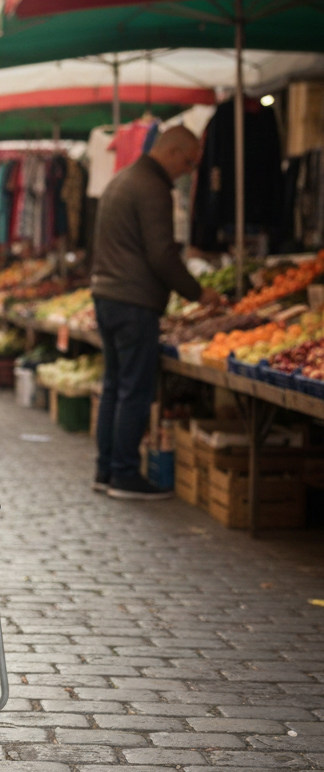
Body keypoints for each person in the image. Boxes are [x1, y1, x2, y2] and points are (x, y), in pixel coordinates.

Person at [92, 125, 220, 500]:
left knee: (116, 385)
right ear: (175, 152)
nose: (189, 170)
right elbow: (161, 253)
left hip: (108, 295)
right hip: (133, 302)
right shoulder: (152, 188)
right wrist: (197, 293)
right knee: (134, 389)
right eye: (190, 162)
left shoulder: (124, 179)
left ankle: (106, 470)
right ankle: (125, 474)